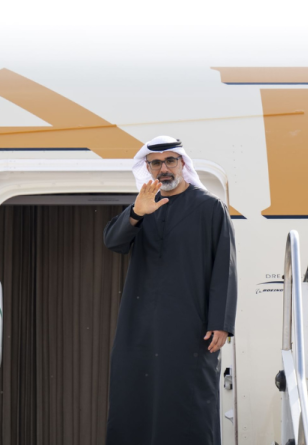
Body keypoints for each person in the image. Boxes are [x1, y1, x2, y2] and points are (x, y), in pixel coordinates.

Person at [103, 135, 238, 445]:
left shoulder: (210, 207)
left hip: (191, 329)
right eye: (155, 163)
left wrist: (221, 322)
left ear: (182, 163)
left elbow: (225, 267)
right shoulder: (142, 207)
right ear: (148, 168)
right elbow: (113, 242)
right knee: (135, 398)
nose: (163, 169)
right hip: (139, 329)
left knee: (189, 401)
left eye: (170, 161)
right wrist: (137, 213)